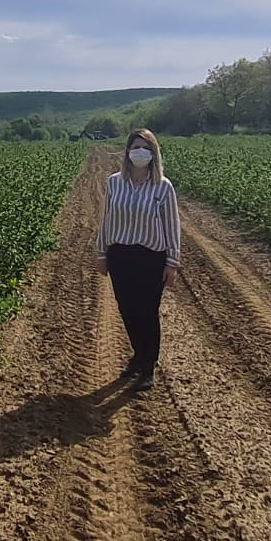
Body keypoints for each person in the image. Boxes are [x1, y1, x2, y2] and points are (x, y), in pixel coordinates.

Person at [95, 128, 181, 390]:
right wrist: (102, 253)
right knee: (127, 309)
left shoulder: (163, 187)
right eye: (135, 147)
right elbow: (107, 219)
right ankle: (139, 355)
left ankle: (148, 366)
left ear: (154, 153)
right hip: (120, 256)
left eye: (145, 147)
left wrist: (172, 262)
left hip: (150, 258)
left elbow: (172, 226)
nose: (140, 152)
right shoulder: (114, 182)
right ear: (127, 152)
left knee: (147, 312)